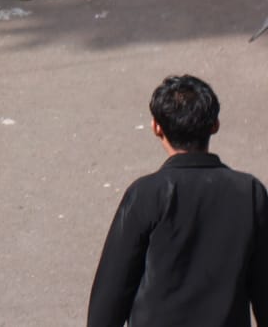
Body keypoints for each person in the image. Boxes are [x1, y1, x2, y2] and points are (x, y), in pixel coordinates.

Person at [87, 74, 268, 327]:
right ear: (215, 124)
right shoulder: (249, 192)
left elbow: (110, 297)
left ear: (156, 127)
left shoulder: (146, 194)